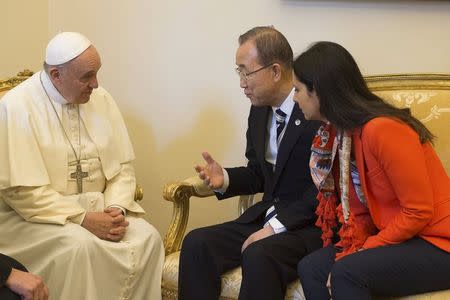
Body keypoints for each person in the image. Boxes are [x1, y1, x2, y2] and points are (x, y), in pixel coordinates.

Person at [0, 32, 164, 300]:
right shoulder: (16, 106)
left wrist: (115, 208)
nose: (96, 85)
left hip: (100, 207)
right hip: (32, 219)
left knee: (149, 238)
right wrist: (83, 218)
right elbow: (22, 194)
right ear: (56, 75)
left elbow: (122, 169)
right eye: (86, 76)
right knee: (79, 246)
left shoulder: (101, 99)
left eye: (97, 74)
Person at [293, 41, 450, 299]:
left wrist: (368, 248)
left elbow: (418, 211)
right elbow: (362, 211)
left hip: (438, 241)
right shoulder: (342, 135)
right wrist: (358, 245)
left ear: (318, 91)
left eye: (298, 89)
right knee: (311, 268)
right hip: (405, 237)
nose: (295, 98)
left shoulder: (383, 129)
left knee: (347, 271)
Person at [178, 26, 322, 300]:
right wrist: (226, 179)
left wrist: (275, 228)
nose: (242, 82)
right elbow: (259, 173)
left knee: (259, 253)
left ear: (276, 71)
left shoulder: (314, 109)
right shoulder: (258, 111)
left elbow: (323, 186)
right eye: (239, 72)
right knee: (197, 243)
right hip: (268, 215)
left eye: (246, 71)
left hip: (307, 225)